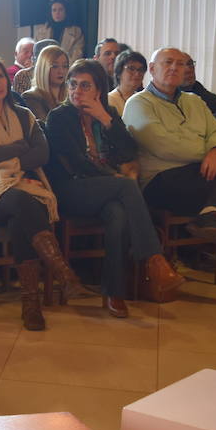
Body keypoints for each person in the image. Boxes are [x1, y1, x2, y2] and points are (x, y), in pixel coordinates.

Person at [123, 47, 216, 313]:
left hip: (202, 175)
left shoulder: (194, 101)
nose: (174, 68)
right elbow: (164, 145)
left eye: (181, 64)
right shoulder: (138, 104)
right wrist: (207, 152)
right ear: (152, 68)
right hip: (162, 180)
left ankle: (211, 212)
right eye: (167, 62)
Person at [0, 57, 92, 330]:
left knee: (22, 212)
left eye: (0, 77)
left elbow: (42, 153)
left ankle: (31, 303)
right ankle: (63, 273)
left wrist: (10, 158)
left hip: (24, 185)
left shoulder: (24, 115)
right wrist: (19, 148)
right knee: (25, 202)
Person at [45, 60, 186, 316]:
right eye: (73, 84)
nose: (76, 91)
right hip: (70, 190)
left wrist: (104, 118)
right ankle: (155, 260)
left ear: (98, 90)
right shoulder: (59, 117)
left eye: (85, 85)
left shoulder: (106, 114)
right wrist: (114, 176)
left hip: (106, 190)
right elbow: (77, 164)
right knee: (124, 187)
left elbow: (129, 151)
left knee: (118, 215)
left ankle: (114, 293)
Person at [22, 44, 69, 122]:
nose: (61, 71)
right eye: (55, 66)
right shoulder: (31, 97)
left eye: (65, 66)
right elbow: (45, 128)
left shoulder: (69, 96)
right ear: (44, 68)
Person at [107, 50, 148, 114]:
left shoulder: (143, 100)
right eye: (131, 68)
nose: (137, 74)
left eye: (140, 70)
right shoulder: (110, 100)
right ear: (119, 72)